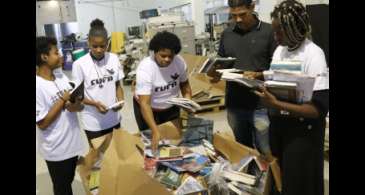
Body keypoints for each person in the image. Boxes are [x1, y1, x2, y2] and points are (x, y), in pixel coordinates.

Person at [254, 1, 329, 194]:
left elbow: (317, 110)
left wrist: (276, 103)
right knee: (280, 180)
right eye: (275, 31)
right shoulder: (280, 51)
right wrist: (260, 82)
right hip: (279, 128)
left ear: (296, 28)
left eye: (280, 31)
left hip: (302, 134)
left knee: (299, 183)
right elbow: (276, 81)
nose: (276, 36)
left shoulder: (313, 55)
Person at [208, 0, 277, 154]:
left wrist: (258, 74)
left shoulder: (269, 32)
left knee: (266, 151)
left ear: (252, 7)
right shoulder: (227, 33)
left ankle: (271, 179)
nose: (238, 19)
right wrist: (215, 73)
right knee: (243, 150)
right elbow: (223, 62)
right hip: (235, 103)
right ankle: (250, 177)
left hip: (261, 103)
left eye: (242, 15)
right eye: (233, 16)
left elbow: (278, 68)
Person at [72, 19, 125, 166]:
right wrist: (95, 104)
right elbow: (77, 96)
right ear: (88, 42)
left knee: (116, 154)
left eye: (102, 46)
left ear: (107, 42)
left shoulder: (113, 58)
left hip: (114, 118)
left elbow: (117, 84)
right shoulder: (80, 64)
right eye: (95, 46)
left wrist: (120, 101)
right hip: (93, 122)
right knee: (98, 159)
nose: (99, 50)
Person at [36, 36, 85, 195]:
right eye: (56, 52)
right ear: (44, 57)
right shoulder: (38, 86)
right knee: (62, 189)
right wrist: (62, 100)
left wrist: (76, 105)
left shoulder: (61, 76)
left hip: (72, 145)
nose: (61, 56)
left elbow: (72, 106)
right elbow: (42, 124)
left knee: (68, 183)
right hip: (56, 150)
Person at [134, 31, 192, 153]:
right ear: (155, 52)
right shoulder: (145, 68)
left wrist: (188, 101)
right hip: (149, 108)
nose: (167, 59)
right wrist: (155, 130)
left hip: (170, 107)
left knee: (173, 141)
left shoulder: (179, 63)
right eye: (163, 55)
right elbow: (145, 104)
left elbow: (185, 85)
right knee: (152, 143)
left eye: (170, 56)